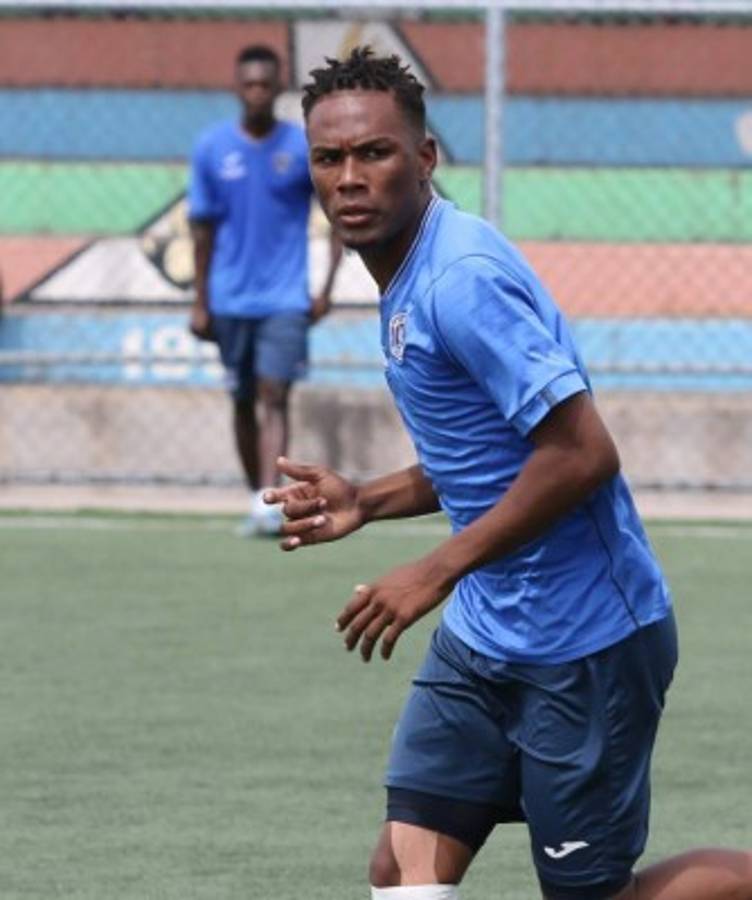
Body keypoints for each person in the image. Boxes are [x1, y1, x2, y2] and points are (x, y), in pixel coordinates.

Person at [264, 47, 752, 900]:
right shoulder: (409, 268)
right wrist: (368, 500)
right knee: (405, 866)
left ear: (424, 158)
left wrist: (435, 569)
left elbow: (582, 453)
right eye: (329, 158)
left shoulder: (460, 281)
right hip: (487, 640)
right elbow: (488, 457)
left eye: (374, 154)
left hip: (586, 642)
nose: (348, 178)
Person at [188, 43, 342, 536]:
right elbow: (202, 230)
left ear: (279, 88)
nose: (257, 92)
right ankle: (255, 493)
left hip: (283, 299)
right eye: (248, 83)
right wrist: (199, 299)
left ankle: (266, 501)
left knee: (274, 394)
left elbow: (336, 212)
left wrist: (326, 287)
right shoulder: (212, 149)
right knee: (242, 398)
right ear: (237, 87)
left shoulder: (300, 147)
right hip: (229, 298)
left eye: (265, 84)